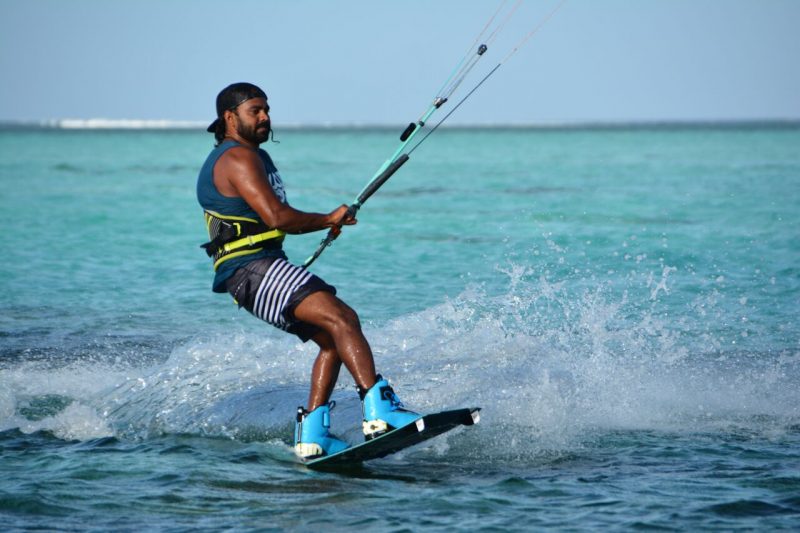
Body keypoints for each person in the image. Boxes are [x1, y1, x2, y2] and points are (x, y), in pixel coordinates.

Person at [197, 82, 420, 459]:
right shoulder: (236, 158)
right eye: (256, 111)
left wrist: (324, 222)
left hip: (256, 269)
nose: (266, 117)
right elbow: (277, 217)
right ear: (230, 117)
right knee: (343, 318)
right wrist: (326, 218)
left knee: (333, 340)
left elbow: (271, 221)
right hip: (252, 269)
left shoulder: (253, 156)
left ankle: (313, 435)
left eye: (267, 109)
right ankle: (381, 411)